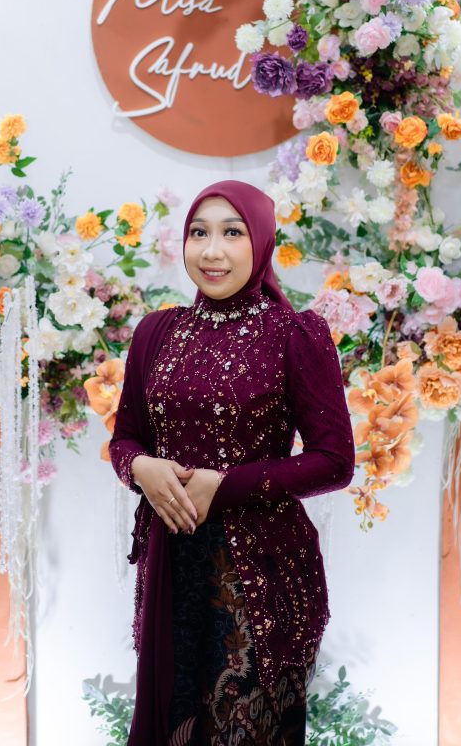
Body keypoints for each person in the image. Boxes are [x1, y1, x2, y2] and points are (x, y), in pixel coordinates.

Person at [109, 179, 355, 745]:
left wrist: (226, 486)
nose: (212, 251)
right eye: (199, 233)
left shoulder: (295, 335)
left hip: (260, 577)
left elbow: (334, 460)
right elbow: (126, 438)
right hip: (172, 565)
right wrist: (141, 468)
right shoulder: (156, 333)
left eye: (232, 233)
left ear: (261, 241)